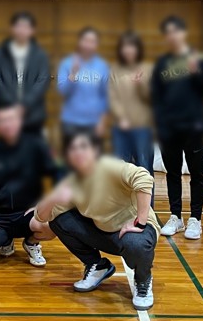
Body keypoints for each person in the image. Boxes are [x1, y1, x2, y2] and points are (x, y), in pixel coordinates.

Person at [36, 132, 158, 311]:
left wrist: (140, 222)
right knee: (59, 220)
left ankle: (143, 279)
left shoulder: (108, 166)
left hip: (134, 231)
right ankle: (97, 266)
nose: (78, 153)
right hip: (105, 233)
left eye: (83, 147)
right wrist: (53, 197)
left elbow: (144, 178)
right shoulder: (71, 181)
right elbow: (42, 217)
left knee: (135, 243)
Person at [0, 104, 57, 272]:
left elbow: (59, 174)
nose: (7, 124)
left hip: (28, 214)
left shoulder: (36, 148)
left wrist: (44, 204)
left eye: (11, 119)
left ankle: (31, 243)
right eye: (2, 121)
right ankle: (3, 241)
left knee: (54, 224)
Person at [151, 15, 203, 241]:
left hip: (193, 126)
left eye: (177, 31)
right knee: (172, 173)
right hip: (169, 127)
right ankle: (176, 216)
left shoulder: (198, 59)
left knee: (196, 174)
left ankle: (196, 218)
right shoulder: (162, 63)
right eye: (169, 33)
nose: (173, 36)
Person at [0, 12, 51, 136]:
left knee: (33, 153)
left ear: (33, 30)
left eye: (26, 27)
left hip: (33, 115)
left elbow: (42, 81)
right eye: (18, 26)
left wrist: (24, 105)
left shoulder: (40, 55)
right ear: (11, 28)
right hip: (6, 115)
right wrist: (12, 106)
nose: (22, 30)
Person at [109, 31, 154, 193]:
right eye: (125, 47)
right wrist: (121, 118)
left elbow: (152, 98)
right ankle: (123, 213)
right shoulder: (114, 69)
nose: (128, 50)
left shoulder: (148, 69)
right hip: (120, 127)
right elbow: (112, 96)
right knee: (120, 170)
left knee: (145, 169)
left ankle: (148, 213)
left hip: (143, 127)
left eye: (132, 46)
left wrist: (141, 85)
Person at [57, 27, 110, 140]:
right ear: (79, 41)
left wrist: (102, 121)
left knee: (93, 157)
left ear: (97, 45)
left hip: (94, 122)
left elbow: (104, 96)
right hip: (70, 121)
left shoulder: (102, 66)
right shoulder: (67, 63)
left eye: (93, 42)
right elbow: (62, 91)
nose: (88, 45)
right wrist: (73, 75)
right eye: (85, 40)